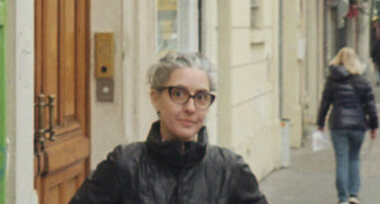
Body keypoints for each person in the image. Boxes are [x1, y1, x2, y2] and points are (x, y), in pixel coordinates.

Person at [69, 52, 267, 203]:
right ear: (155, 98)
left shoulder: (229, 169)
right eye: (179, 94)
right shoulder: (125, 165)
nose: (190, 108)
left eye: (200, 97)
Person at [317, 47, 379, 204]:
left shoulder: (332, 80)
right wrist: (374, 126)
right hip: (358, 125)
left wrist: (320, 123)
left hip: (338, 124)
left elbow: (325, 103)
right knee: (354, 158)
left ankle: (343, 197)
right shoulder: (362, 80)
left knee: (341, 159)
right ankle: (354, 194)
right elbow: (371, 105)